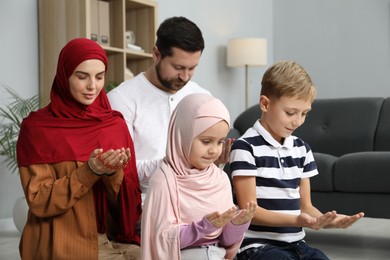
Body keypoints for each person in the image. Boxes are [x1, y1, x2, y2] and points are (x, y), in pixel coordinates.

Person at [16, 38, 142, 260]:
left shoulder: (114, 124)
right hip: (59, 243)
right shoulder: (37, 128)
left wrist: (112, 174)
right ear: (64, 76)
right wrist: (90, 171)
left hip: (108, 240)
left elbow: (125, 207)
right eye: (82, 76)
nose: (92, 86)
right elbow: (38, 200)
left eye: (100, 77)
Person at [229, 60, 365, 260]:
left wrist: (327, 221)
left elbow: (306, 207)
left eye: (304, 114)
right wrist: (297, 220)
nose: (298, 121)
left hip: (297, 245)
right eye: (291, 113)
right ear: (265, 104)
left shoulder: (302, 149)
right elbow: (251, 211)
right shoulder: (245, 147)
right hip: (256, 246)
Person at [107, 16, 233, 203]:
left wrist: (215, 161)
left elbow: (209, 168)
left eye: (192, 68)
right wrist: (180, 162)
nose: (184, 76)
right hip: (148, 206)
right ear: (156, 54)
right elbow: (123, 170)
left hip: (199, 201)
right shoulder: (122, 99)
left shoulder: (202, 96)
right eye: (178, 67)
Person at [141, 93, 257, 260]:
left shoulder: (220, 179)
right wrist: (203, 228)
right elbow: (161, 241)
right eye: (206, 141)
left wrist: (238, 224)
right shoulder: (164, 180)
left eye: (220, 142)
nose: (214, 150)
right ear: (183, 135)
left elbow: (225, 240)